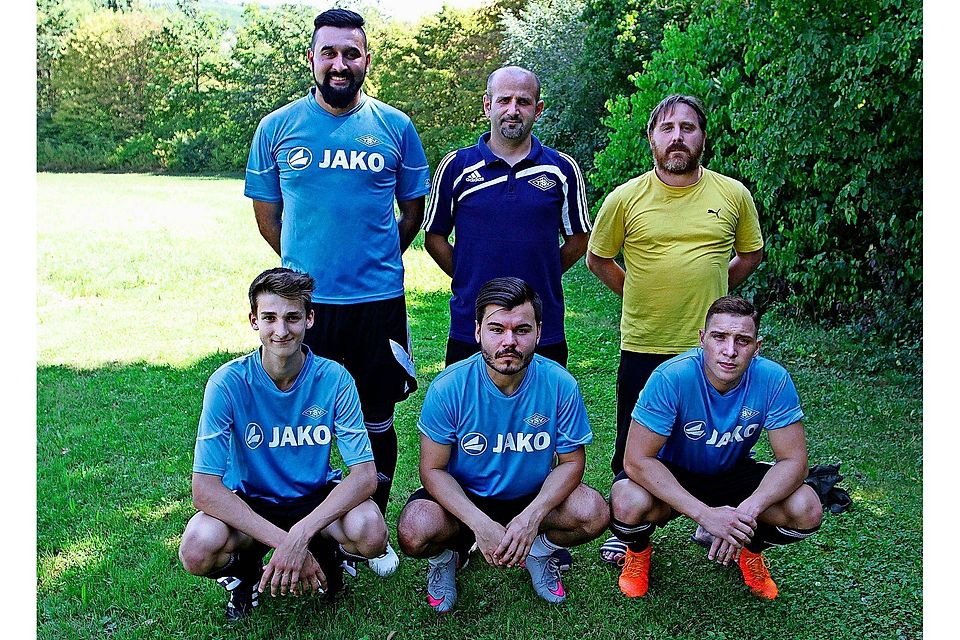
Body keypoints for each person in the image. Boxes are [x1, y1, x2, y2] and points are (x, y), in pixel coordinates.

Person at [244, 8, 431, 576]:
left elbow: (412, 212)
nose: (340, 63)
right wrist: (304, 274)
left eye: (351, 53)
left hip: (377, 303)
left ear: (366, 60)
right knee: (305, 416)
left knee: (375, 415)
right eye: (329, 52)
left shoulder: (395, 126)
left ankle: (369, 528)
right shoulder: (277, 127)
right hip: (307, 308)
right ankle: (313, 524)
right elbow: (269, 218)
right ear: (312, 58)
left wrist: (374, 259)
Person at [586, 94, 764, 563]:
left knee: (715, 439)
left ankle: (714, 515)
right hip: (645, 342)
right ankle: (628, 529)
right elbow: (598, 259)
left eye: (688, 127)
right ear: (651, 139)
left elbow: (750, 254)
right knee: (634, 442)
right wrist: (637, 292)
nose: (677, 137)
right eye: (667, 128)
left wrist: (716, 295)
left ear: (703, 136)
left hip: (713, 348)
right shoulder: (625, 198)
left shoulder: (733, 194)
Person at [178, 268, 389, 620]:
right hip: (251, 501)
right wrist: (286, 544)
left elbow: (365, 476)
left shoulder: (334, 378)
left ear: (309, 319)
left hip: (314, 498)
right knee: (197, 548)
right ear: (253, 321)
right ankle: (245, 576)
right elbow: (204, 490)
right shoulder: (227, 383)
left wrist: (301, 535)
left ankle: (327, 558)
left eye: (292, 317)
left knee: (371, 531)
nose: (281, 330)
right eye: (269, 318)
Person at [396, 278, 609, 613]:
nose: (509, 341)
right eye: (497, 329)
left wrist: (531, 518)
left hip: (532, 496)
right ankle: (447, 558)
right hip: (465, 499)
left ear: (538, 333)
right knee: (415, 529)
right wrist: (480, 524)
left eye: (521, 330)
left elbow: (571, 462)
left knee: (593, 512)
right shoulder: (448, 387)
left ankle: (538, 552)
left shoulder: (560, 384)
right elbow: (433, 470)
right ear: (477, 331)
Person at [608, 295, 823, 600]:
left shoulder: (773, 379)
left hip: (732, 471)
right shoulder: (671, 377)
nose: (730, 351)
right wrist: (705, 516)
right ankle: (638, 552)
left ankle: (751, 550)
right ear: (702, 339)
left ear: (757, 347)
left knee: (807, 508)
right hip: (674, 472)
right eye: (719, 337)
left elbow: (794, 462)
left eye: (742, 341)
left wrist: (746, 513)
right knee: (626, 499)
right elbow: (636, 460)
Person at [422, 66, 591, 368]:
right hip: (471, 325)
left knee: (542, 400)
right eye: (504, 100)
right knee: (469, 400)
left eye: (523, 102)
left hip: (541, 328)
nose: (513, 110)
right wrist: (467, 273)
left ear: (538, 109)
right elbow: (434, 237)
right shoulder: (456, 166)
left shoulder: (562, 169)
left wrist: (544, 270)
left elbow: (579, 238)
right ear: (488, 105)